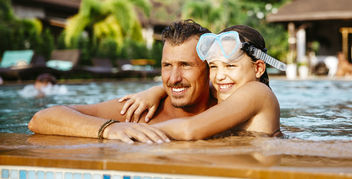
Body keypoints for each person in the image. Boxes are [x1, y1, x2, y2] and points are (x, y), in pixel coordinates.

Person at [29, 20, 215, 144]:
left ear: (210, 68)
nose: (174, 78)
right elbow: (40, 119)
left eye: (185, 65)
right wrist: (110, 128)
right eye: (167, 65)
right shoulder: (139, 111)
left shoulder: (225, 106)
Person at [120, 25, 285, 139]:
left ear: (258, 68)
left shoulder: (257, 92)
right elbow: (192, 87)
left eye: (230, 66)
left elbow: (189, 130)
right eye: (214, 66)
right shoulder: (226, 89)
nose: (220, 76)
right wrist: (155, 91)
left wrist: (129, 130)